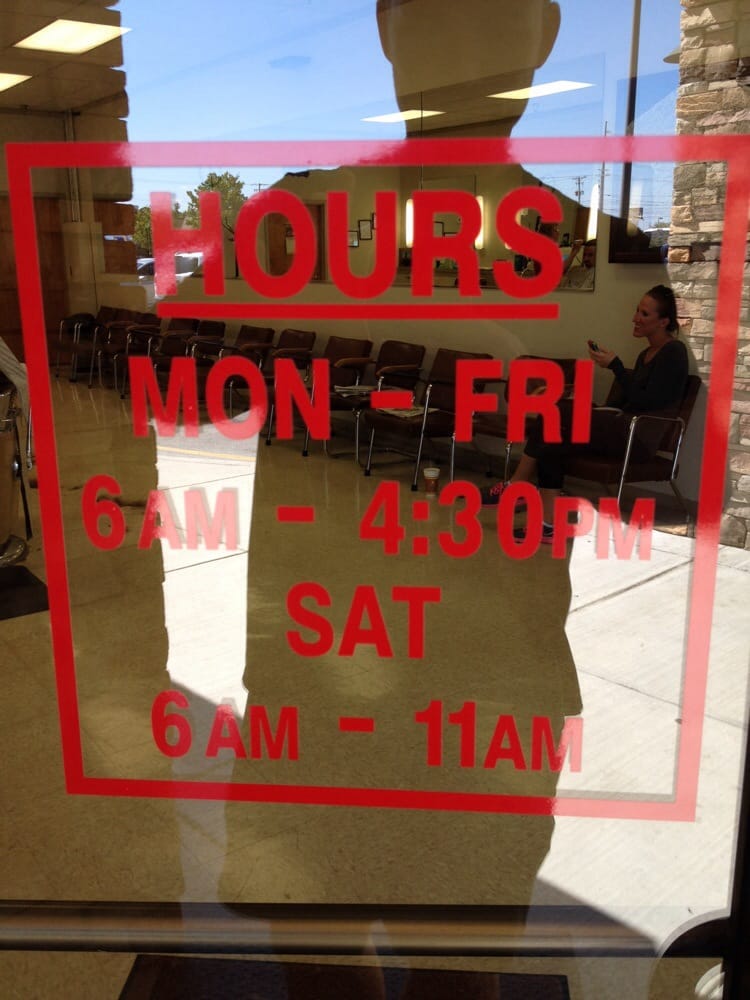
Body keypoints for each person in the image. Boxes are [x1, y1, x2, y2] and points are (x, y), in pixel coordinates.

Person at [480, 285, 689, 544]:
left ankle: (517, 485)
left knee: (555, 414)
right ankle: (547, 525)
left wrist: (616, 367)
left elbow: (647, 402)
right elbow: (626, 401)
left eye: (644, 314)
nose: (635, 318)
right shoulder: (645, 354)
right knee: (553, 438)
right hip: (622, 428)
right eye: (637, 310)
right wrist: (589, 406)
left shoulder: (673, 353)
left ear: (664, 322)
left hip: (639, 438)